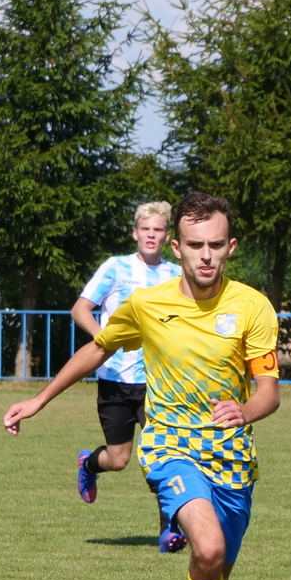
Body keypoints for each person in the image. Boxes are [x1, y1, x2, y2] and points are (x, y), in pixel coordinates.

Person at [4, 194, 280, 580]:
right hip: (171, 448)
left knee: (210, 579)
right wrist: (38, 400)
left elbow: (268, 390)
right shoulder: (148, 304)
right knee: (208, 547)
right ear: (177, 247)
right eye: (195, 245)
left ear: (231, 247)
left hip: (232, 460)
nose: (205, 255)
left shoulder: (253, 306)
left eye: (215, 245)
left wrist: (244, 410)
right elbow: (98, 349)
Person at [72, 202, 185, 550]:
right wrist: (104, 340)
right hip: (115, 380)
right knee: (119, 459)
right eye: (146, 229)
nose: (151, 235)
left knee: (165, 457)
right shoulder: (116, 267)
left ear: (167, 237)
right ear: (135, 233)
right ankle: (89, 464)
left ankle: (169, 531)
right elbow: (80, 309)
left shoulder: (176, 275)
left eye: (158, 229)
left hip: (158, 383)